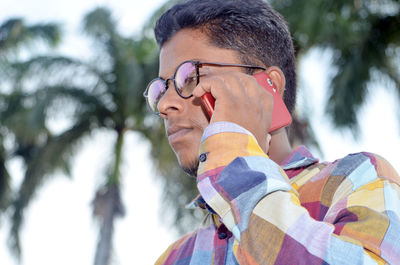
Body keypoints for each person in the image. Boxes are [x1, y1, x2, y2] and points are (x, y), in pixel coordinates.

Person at [143, 0, 400, 264]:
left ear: (269, 87)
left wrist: (236, 157)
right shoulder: (173, 257)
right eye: (161, 89)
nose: (164, 105)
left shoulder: (356, 178)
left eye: (189, 76)